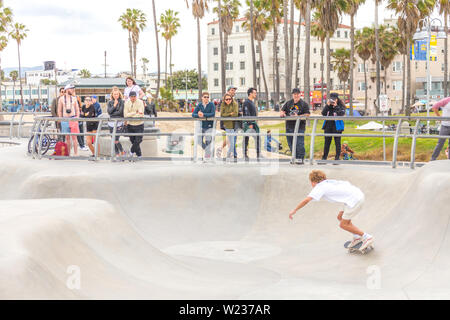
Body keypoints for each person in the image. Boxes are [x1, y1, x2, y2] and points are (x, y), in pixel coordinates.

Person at [289, 170, 374, 251]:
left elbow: (306, 200)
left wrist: (294, 210)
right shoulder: (328, 182)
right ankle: (357, 236)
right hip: (353, 196)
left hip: (354, 200)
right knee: (340, 217)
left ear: (313, 182)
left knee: (343, 224)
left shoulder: (319, 187)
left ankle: (367, 237)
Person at [280, 88, 311, 164]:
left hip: (300, 127)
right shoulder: (288, 103)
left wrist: (298, 116)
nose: (296, 95)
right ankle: (295, 158)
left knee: (299, 143)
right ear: (292, 95)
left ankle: (300, 159)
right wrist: (282, 113)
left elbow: (308, 114)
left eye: (297, 94)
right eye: (294, 94)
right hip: (289, 126)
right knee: (290, 144)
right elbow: (282, 110)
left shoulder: (304, 104)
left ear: (300, 94)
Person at [57, 84, 80, 156]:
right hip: (65, 119)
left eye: (73, 89)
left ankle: (76, 153)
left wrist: (77, 117)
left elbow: (77, 109)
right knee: (67, 138)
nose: (73, 90)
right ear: (67, 90)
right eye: (71, 89)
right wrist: (60, 119)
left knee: (74, 137)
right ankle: (68, 153)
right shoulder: (61, 99)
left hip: (73, 118)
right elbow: (59, 110)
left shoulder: (74, 98)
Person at [322, 93, 346, 161]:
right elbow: (323, 113)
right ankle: (324, 157)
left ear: (337, 99)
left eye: (334, 99)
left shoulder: (340, 106)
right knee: (327, 142)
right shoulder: (328, 106)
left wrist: (336, 106)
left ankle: (337, 157)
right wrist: (327, 105)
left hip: (337, 126)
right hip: (328, 125)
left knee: (337, 142)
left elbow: (341, 113)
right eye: (332, 99)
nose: (333, 101)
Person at [192, 92, 216, 160]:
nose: (206, 98)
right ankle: (208, 151)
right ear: (202, 98)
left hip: (209, 126)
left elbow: (212, 114)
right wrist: (199, 115)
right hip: (201, 126)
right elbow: (193, 114)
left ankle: (207, 157)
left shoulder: (211, 104)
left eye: (207, 97)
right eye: (205, 97)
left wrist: (203, 114)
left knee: (208, 142)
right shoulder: (199, 105)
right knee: (199, 141)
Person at [217, 86, 239, 159]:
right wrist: (230, 114)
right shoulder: (224, 101)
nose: (234, 92)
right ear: (228, 91)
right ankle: (232, 154)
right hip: (226, 123)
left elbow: (236, 113)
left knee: (230, 139)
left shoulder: (235, 101)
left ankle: (226, 152)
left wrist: (231, 114)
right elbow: (222, 114)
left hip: (234, 123)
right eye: (232, 90)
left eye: (234, 90)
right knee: (231, 139)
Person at [124, 91, 145, 160]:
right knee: (133, 141)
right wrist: (134, 112)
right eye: (131, 96)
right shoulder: (127, 103)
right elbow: (125, 115)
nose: (133, 98)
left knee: (138, 140)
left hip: (139, 124)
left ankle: (131, 152)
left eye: (134, 96)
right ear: (129, 97)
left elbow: (141, 114)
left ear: (136, 96)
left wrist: (131, 115)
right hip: (130, 125)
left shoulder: (140, 102)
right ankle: (139, 155)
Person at [107, 87, 126, 157]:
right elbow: (109, 112)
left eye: (117, 94)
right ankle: (117, 154)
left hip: (119, 122)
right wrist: (114, 105)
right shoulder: (109, 102)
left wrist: (113, 113)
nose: (116, 95)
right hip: (111, 123)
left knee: (116, 139)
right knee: (113, 139)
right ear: (112, 94)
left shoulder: (122, 102)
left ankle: (122, 151)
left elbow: (120, 112)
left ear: (119, 94)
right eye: (114, 94)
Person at [243, 87, 260, 160]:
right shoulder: (246, 102)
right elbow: (246, 113)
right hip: (249, 124)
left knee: (257, 138)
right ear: (250, 93)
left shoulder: (252, 102)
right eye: (255, 93)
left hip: (253, 123)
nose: (256, 94)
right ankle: (245, 154)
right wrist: (250, 123)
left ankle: (258, 154)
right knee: (246, 139)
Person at [430, 96, 450, 161]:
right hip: (445, 126)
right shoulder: (446, 100)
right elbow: (434, 107)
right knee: (440, 143)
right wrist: (440, 118)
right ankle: (433, 159)